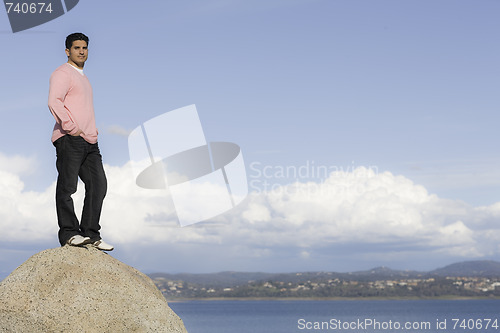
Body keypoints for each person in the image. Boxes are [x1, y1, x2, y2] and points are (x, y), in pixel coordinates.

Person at [48, 32, 113, 251]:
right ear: (68, 51)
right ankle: (69, 233)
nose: (82, 51)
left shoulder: (83, 77)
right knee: (67, 187)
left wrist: (91, 132)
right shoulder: (62, 73)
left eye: (84, 47)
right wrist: (71, 128)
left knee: (98, 185)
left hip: (89, 141)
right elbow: (54, 102)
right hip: (70, 138)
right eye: (77, 48)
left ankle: (91, 234)